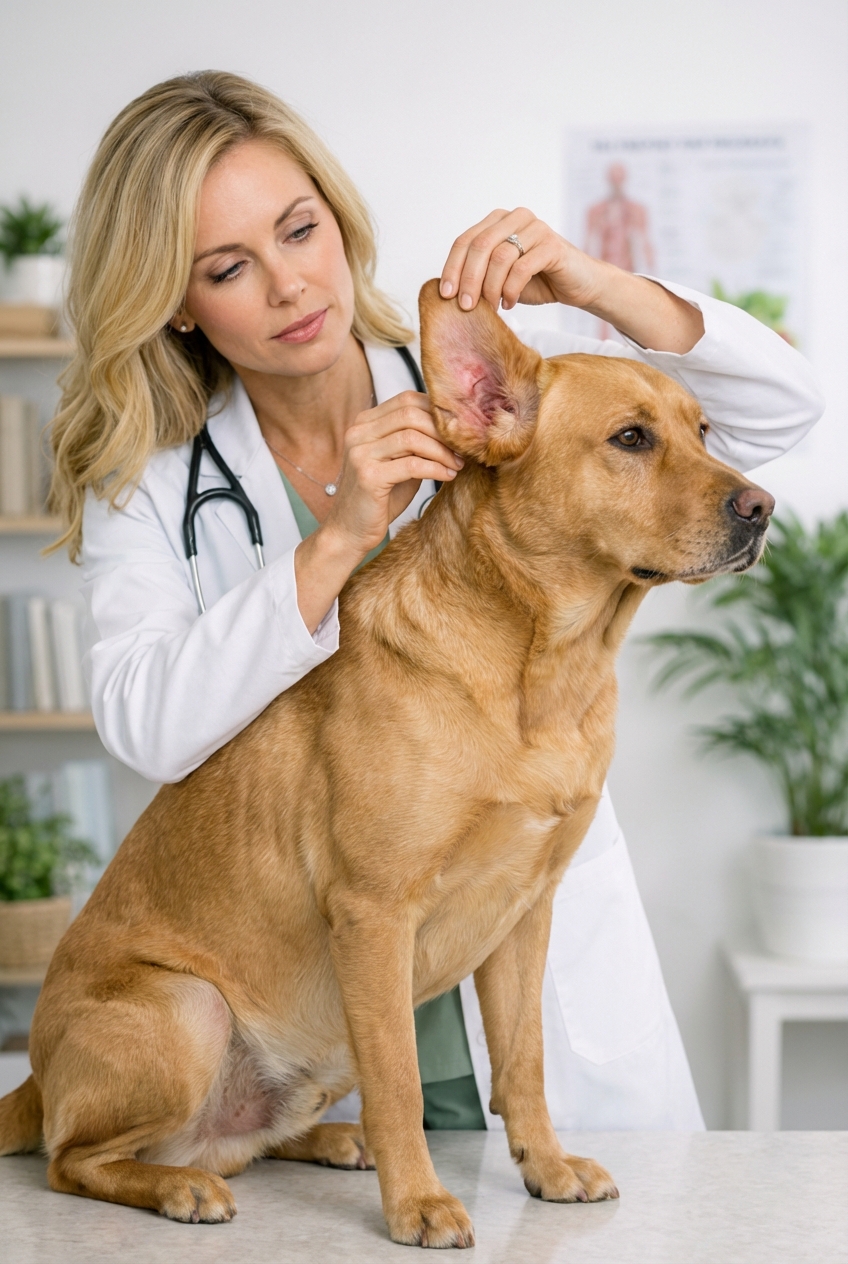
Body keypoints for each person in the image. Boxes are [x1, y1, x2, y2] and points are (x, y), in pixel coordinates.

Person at [50, 71, 823, 1135]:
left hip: (518, 986)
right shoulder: (150, 480)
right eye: (230, 267)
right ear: (177, 300)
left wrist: (593, 285)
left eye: (298, 227)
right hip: (307, 1042)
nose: (289, 284)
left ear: (336, 215)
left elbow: (781, 408)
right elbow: (147, 722)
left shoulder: (491, 387)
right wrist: (334, 545)